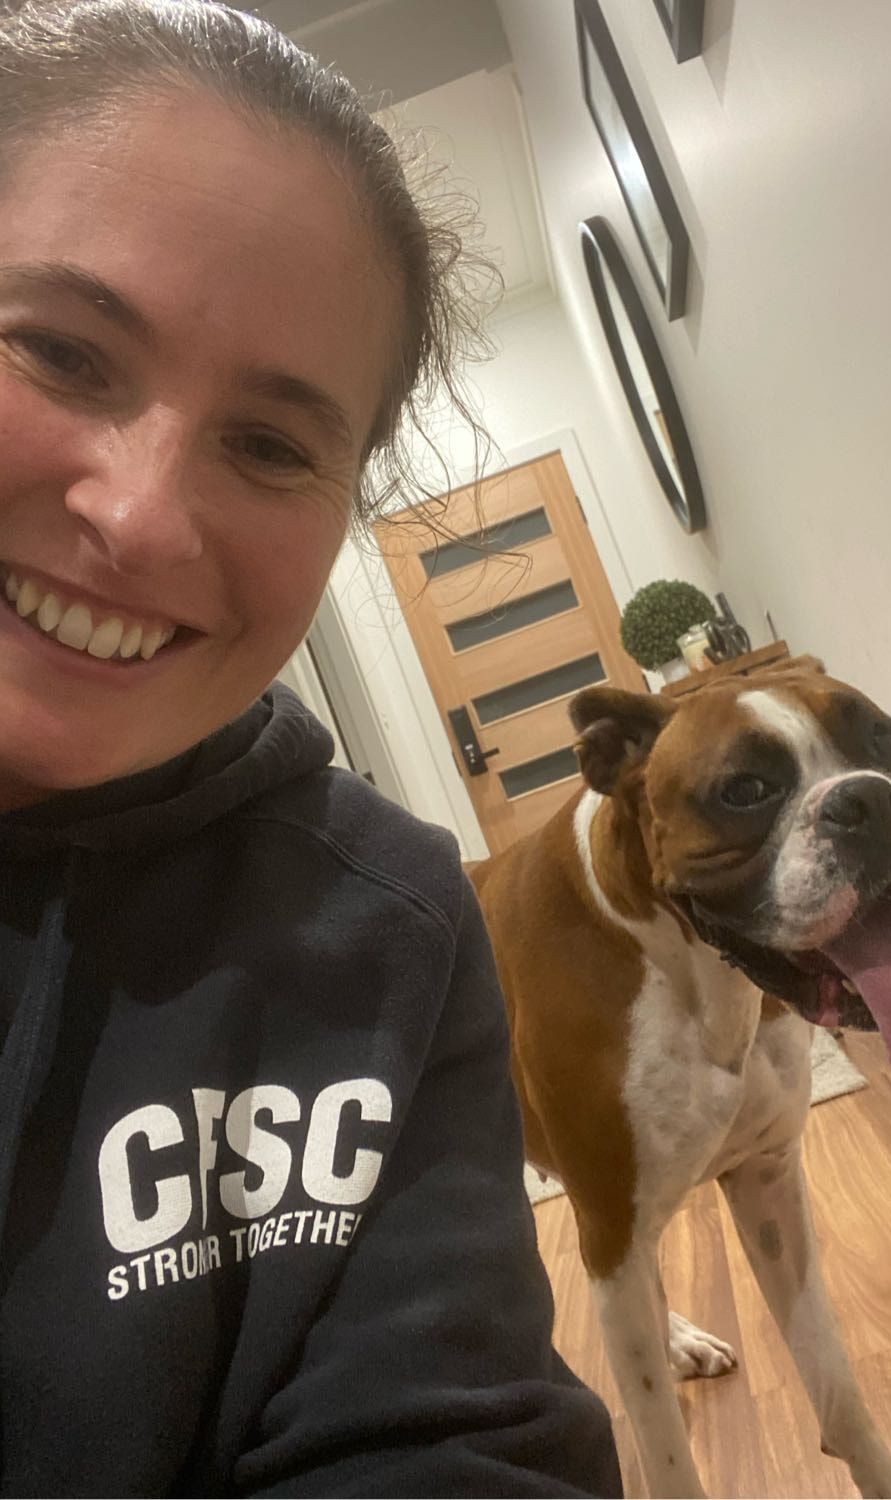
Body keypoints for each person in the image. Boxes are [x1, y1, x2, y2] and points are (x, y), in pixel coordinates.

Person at [0, 1, 622, 1494]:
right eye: (60, 352)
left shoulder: (386, 928)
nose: (140, 517)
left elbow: (451, 1434)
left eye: (272, 445)